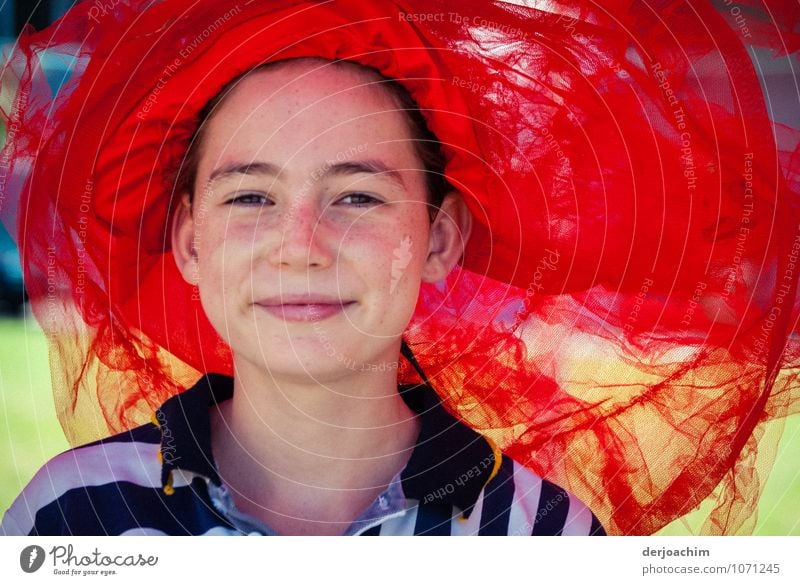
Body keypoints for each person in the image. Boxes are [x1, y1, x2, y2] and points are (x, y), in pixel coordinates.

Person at [0, 0, 798, 536]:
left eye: (356, 195)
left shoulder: (544, 536)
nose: (301, 243)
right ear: (189, 241)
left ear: (440, 238)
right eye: (250, 196)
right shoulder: (73, 515)